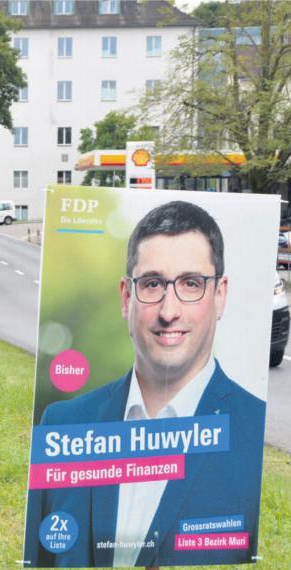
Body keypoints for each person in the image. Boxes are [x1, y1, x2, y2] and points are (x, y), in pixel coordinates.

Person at [24, 201, 264, 568]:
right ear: (126, 297)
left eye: (191, 284)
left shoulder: (251, 431)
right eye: (152, 284)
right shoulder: (63, 426)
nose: (169, 312)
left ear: (220, 295)